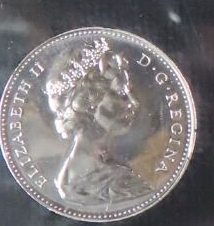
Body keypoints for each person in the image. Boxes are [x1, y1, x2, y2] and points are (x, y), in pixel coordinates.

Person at [45, 41, 142, 210]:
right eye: (121, 94)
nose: (134, 103)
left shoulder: (75, 177)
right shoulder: (117, 184)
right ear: (89, 104)